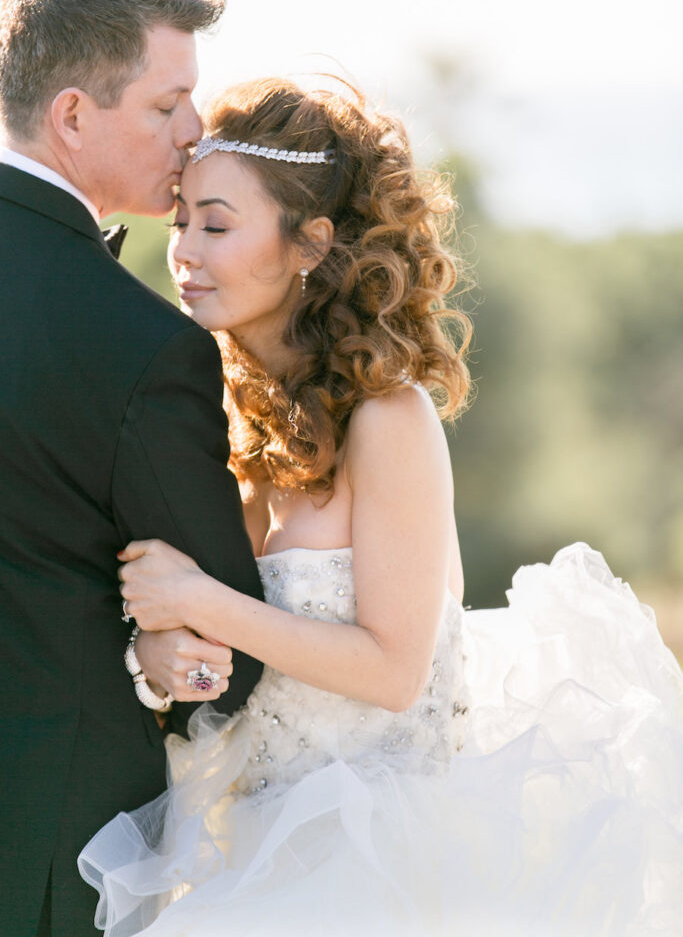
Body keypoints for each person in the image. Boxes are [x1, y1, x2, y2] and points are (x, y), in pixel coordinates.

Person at [79, 78, 683, 936]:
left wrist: (197, 601)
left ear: (309, 245)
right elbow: (240, 672)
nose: (182, 250)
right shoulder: (234, 420)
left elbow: (392, 672)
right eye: (179, 222)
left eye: (215, 224)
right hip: (249, 846)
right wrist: (171, 652)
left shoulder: (388, 417)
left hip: (375, 859)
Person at [0, 0, 266, 937]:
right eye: (169, 104)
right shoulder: (143, 347)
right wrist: (152, 666)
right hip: (45, 858)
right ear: (73, 116)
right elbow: (226, 656)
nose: (194, 131)